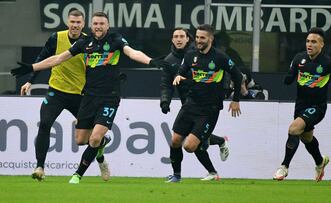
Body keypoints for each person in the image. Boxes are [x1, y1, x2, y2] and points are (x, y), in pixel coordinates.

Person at [11, 12, 170, 184]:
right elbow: (56, 59)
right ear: (90, 25)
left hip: (97, 95)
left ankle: (78, 174)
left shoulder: (115, 39)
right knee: (78, 139)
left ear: (106, 26)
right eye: (96, 24)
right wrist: (31, 68)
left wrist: (151, 61)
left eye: (102, 23)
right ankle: (45, 165)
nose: (98, 26)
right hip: (75, 94)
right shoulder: (83, 43)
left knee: (93, 138)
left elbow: (133, 53)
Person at [20, 9, 110, 182]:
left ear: (83, 24)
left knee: (90, 137)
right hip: (56, 91)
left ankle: (100, 155)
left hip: (80, 94)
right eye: (72, 22)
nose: (75, 25)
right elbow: (43, 57)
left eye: (78, 23)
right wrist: (30, 80)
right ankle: (39, 167)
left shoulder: (89, 42)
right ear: (67, 22)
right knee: (45, 124)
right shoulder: (56, 38)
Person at [273, 27, 331, 182]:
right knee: (306, 138)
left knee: (294, 128)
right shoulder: (298, 58)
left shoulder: (329, 63)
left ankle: (284, 167)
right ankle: (320, 161)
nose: (310, 44)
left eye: (314, 42)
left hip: (317, 107)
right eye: (308, 41)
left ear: (322, 45)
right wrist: (288, 78)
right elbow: (291, 75)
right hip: (300, 106)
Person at [167, 24, 243, 183]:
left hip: (209, 109)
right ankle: (176, 176)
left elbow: (237, 76)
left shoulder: (221, 57)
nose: (199, 41)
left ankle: (215, 163)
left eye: (202, 38)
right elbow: (182, 71)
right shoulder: (190, 56)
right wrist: (178, 77)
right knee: (175, 140)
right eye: (197, 37)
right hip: (190, 104)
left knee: (189, 146)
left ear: (210, 38)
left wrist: (236, 99)